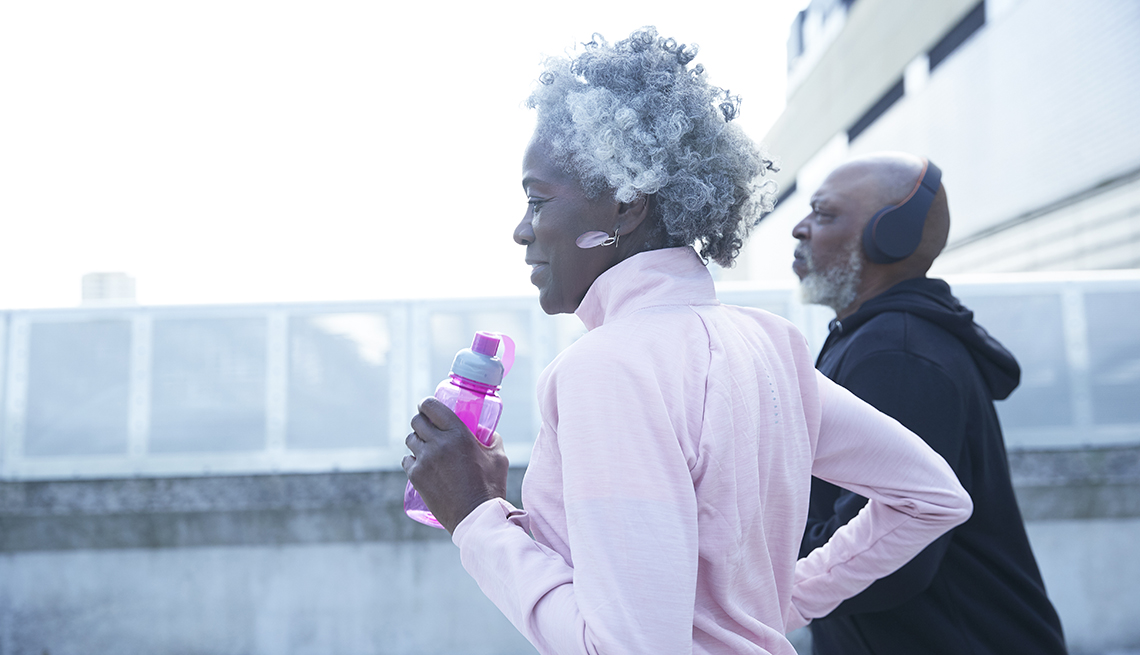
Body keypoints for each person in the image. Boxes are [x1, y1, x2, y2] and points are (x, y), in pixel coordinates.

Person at [402, 29, 972, 655]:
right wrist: (769, 606)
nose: (520, 230)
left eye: (538, 200)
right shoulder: (769, 345)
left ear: (625, 207)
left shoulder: (607, 368)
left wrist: (476, 519)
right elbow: (930, 496)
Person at [793, 152, 1067, 655]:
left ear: (888, 235)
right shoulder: (877, 338)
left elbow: (888, 562)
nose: (799, 228)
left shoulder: (897, 353)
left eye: (823, 213)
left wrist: (746, 561)